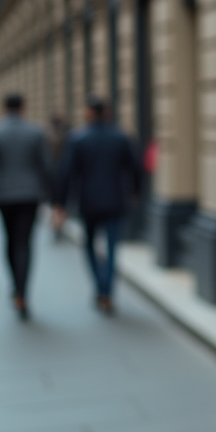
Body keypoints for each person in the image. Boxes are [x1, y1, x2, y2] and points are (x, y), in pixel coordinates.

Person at [53, 96, 142, 315]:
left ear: (89, 113)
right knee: (112, 248)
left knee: (90, 246)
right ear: (107, 113)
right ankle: (107, 291)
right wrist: (135, 192)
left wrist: (60, 204)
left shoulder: (78, 139)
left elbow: (66, 173)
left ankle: (100, 287)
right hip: (114, 200)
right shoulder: (120, 137)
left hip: (89, 201)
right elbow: (136, 168)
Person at [0, 94, 52, 320]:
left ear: (3, 107)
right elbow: (46, 166)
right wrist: (54, 198)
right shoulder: (36, 132)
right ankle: (22, 291)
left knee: (10, 241)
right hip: (30, 195)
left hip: (6, 195)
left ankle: (16, 287)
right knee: (24, 243)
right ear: (24, 107)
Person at [46, 113, 70, 241]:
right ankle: (59, 225)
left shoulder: (48, 137)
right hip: (63, 174)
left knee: (55, 203)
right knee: (62, 202)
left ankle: (56, 224)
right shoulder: (67, 137)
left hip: (52, 175)